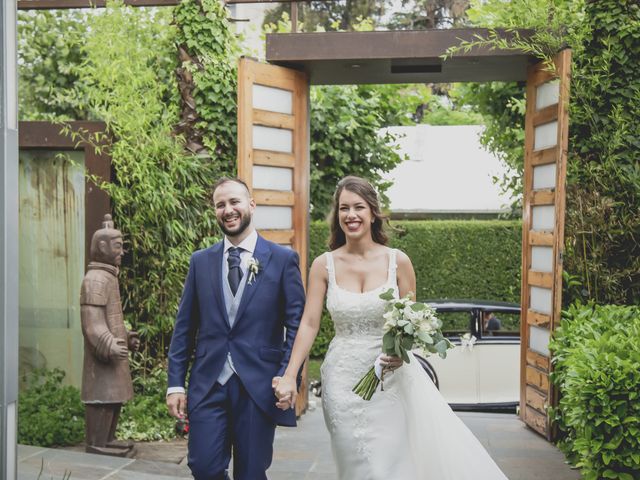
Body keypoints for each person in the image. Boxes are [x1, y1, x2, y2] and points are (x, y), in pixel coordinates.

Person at [274, 176, 509, 479]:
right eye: (343, 208)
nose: (351, 215)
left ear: (373, 212)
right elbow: (309, 323)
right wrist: (291, 375)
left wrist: (401, 351)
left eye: (358, 207)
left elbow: (410, 321)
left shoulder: (398, 262)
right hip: (341, 380)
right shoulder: (323, 265)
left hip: (390, 378)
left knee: (387, 464)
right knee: (353, 462)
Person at [166, 178, 305, 480]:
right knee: (203, 466)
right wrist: (175, 384)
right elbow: (184, 328)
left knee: (251, 473)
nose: (228, 210)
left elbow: (297, 326)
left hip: (258, 383)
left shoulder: (282, 260)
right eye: (220, 205)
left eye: (234, 202)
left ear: (251, 205)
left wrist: (288, 375)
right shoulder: (200, 261)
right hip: (208, 382)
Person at [80, 214, 139, 457]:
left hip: (114, 352)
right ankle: (96, 442)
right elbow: (92, 323)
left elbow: (111, 318)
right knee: (101, 398)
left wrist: (126, 335)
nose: (122, 251)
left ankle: (108, 439)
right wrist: (108, 344)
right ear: (102, 247)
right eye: (118, 246)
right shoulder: (94, 279)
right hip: (102, 357)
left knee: (114, 397)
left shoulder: (108, 276)